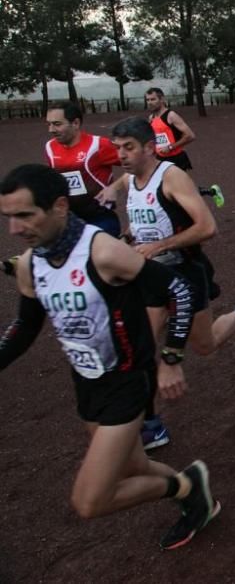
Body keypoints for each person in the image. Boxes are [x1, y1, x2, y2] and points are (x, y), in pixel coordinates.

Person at [0, 163, 219, 550]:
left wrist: (169, 357)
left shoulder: (102, 251)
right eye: (8, 218)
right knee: (134, 467)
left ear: (60, 207)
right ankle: (192, 493)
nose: (14, 229)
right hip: (87, 383)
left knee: (89, 501)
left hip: (127, 381)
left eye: (24, 215)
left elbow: (177, 291)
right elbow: (25, 326)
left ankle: (185, 486)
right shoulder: (32, 264)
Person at [103, 117, 235, 449]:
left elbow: (207, 227)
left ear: (150, 148)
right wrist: (125, 237)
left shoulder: (171, 177)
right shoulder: (132, 179)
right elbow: (142, 221)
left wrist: (160, 246)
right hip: (149, 278)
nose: (120, 155)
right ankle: (150, 424)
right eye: (117, 148)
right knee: (140, 349)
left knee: (205, 346)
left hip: (185, 270)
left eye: (128, 148)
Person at [44, 102, 122, 236]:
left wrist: (115, 187)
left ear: (75, 123)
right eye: (49, 124)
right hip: (70, 221)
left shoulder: (98, 145)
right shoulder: (50, 147)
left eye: (57, 124)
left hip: (100, 219)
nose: (51, 129)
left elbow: (142, 163)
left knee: (91, 253)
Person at [144, 88, 224, 208]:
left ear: (162, 99)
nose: (150, 102)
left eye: (153, 99)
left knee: (183, 190)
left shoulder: (170, 116)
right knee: (166, 189)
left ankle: (210, 194)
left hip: (176, 158)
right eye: (148, 100)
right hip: (160, 160)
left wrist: (170, 146)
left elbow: (190, 136)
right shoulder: (151, 118)